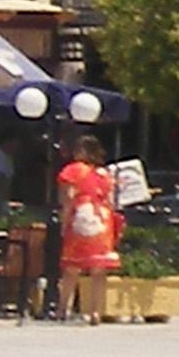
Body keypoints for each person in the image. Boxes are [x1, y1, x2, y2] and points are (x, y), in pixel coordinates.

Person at [54, 132, 121, 320]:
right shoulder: (103, 174)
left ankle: (62, 309)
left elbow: (67, 198)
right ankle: (96, 312)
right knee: (99, 270)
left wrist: (64, 221)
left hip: (81, 217)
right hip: (102, 220)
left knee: (71, 268)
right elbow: (110, 200)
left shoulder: (72, 170)